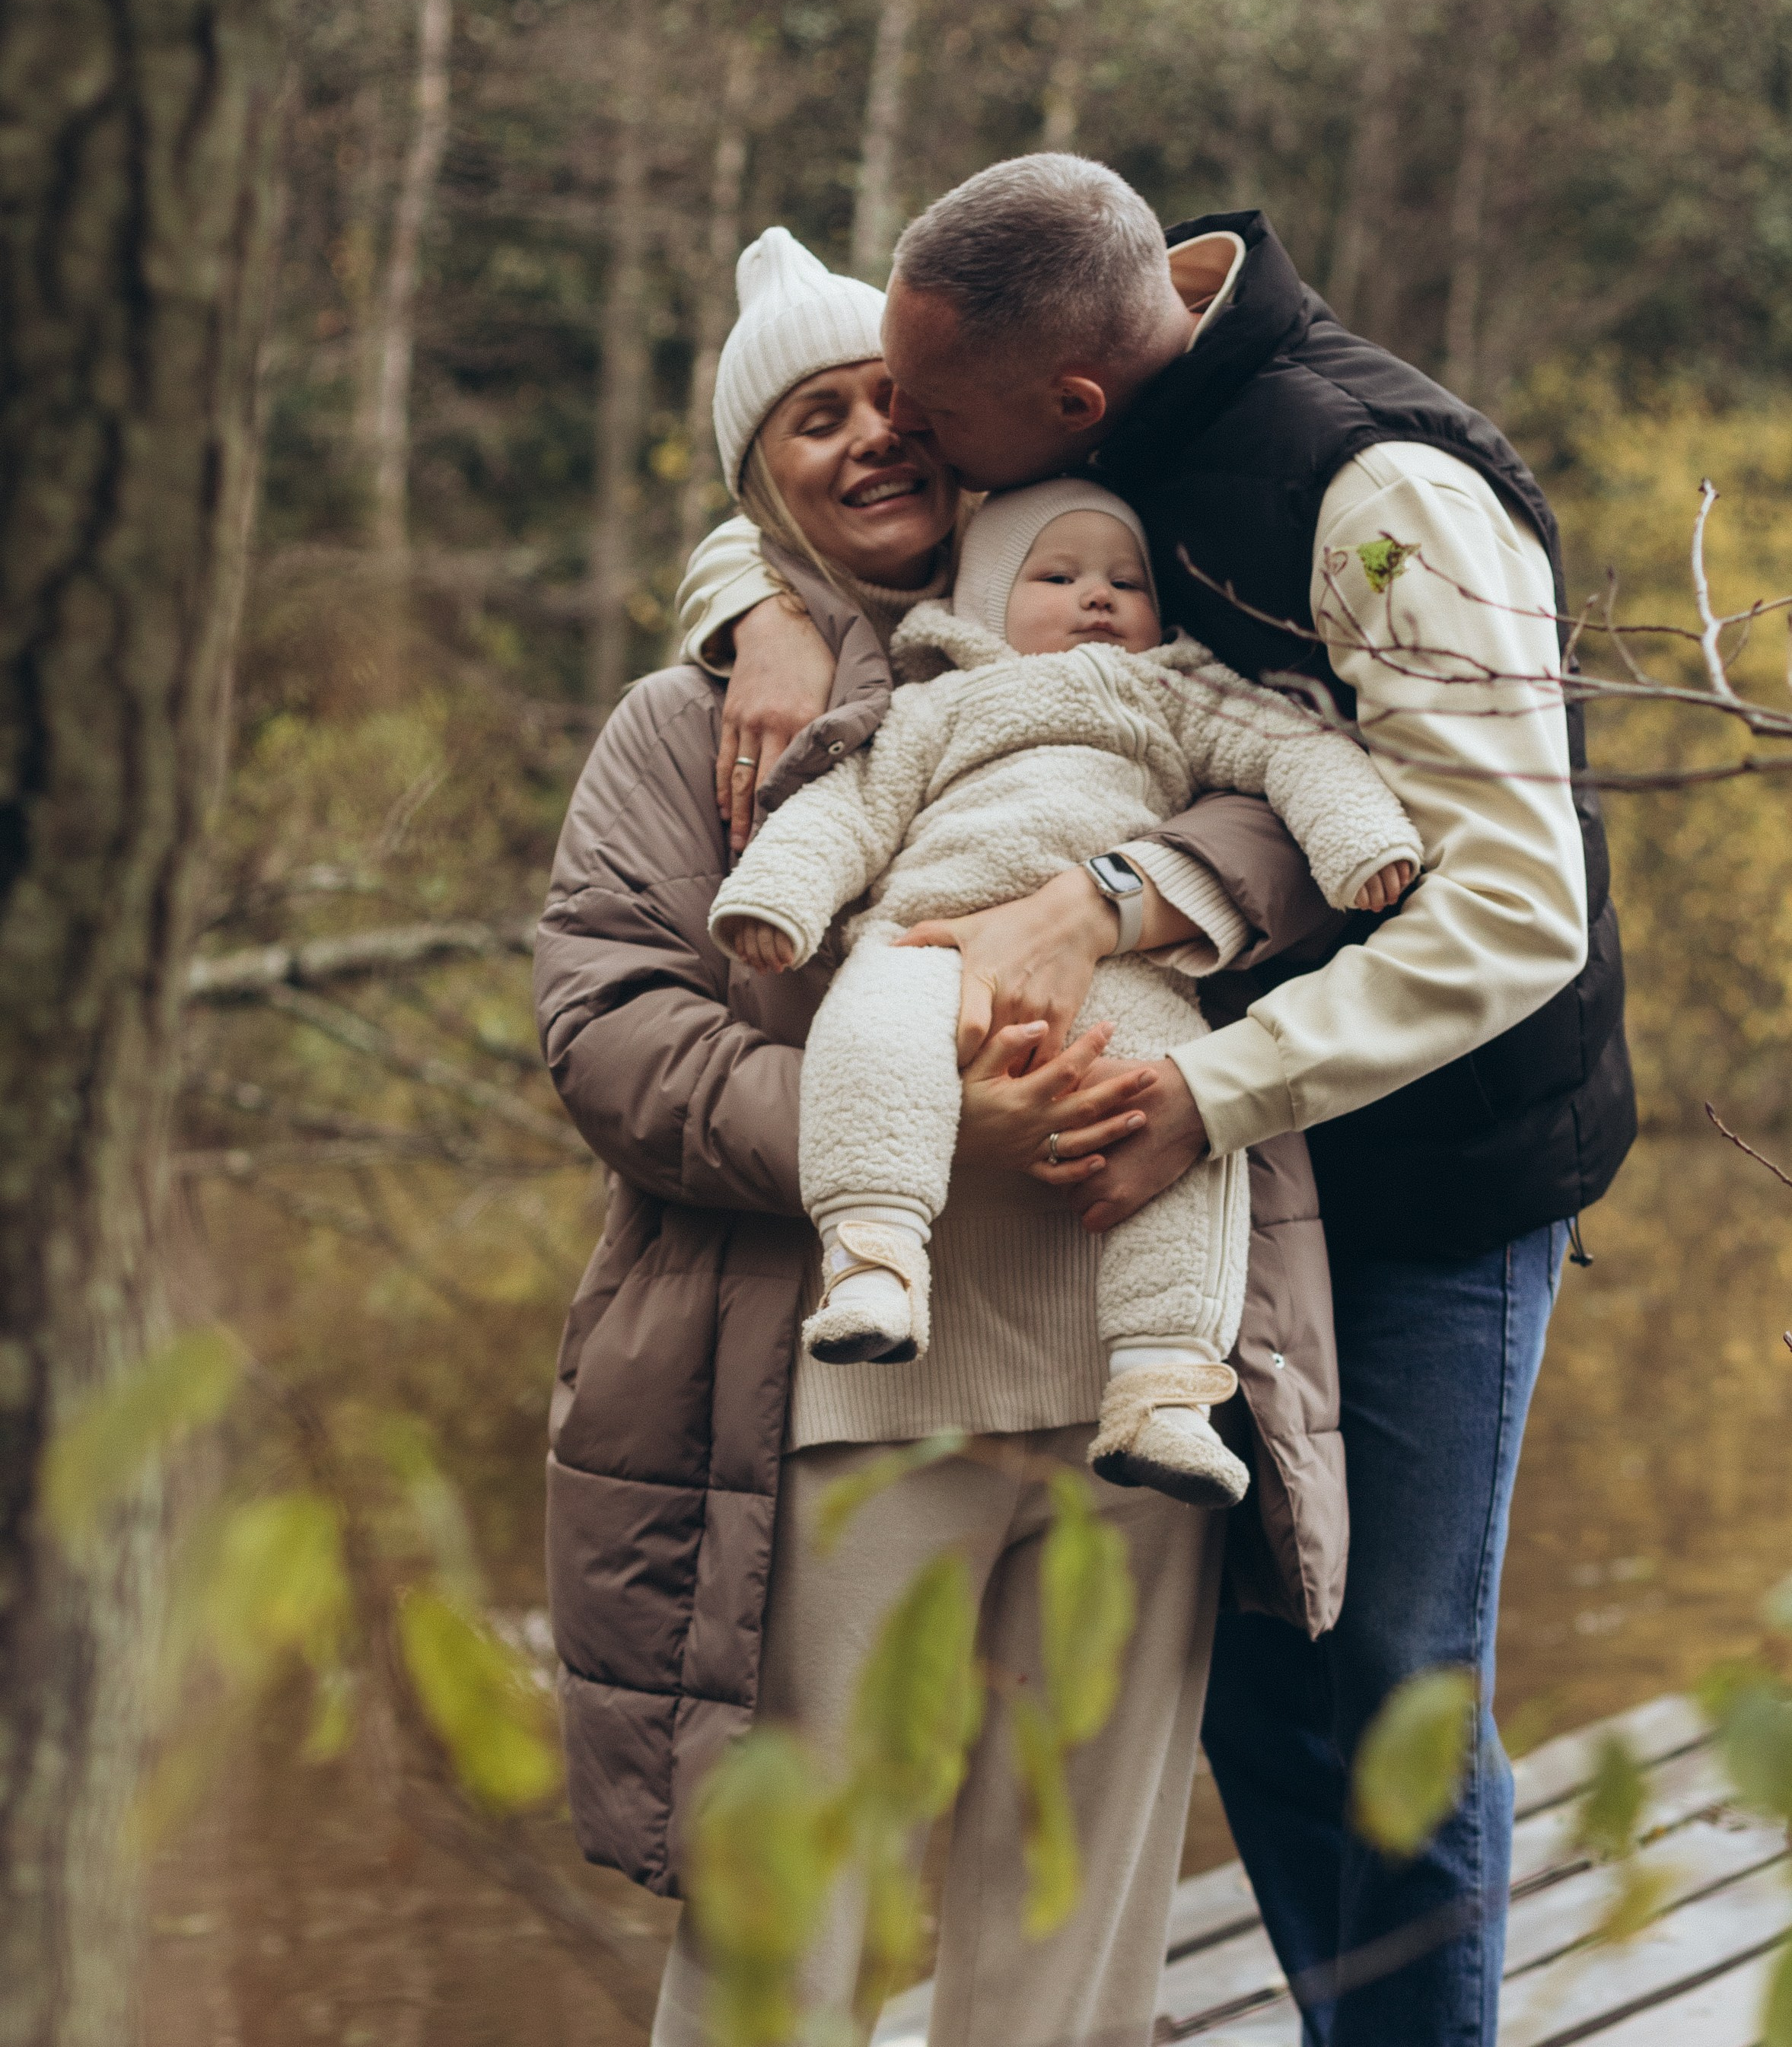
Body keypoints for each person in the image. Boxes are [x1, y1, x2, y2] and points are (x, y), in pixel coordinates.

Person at [674, 158, 1636, 2047]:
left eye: (937, 425)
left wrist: (1189, 1050)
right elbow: (802, 465)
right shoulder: (1054, 307)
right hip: (1230, 1160)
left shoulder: (1381, 498)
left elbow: (1513, 909)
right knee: (1251, 1690)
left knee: (1387, 1694)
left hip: (1423, 1161)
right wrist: (751, 610)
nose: (913, 452)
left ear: (1066, 414)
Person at [536, 224, 1352, 2047]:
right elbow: (606, 1034)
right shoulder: (691, 727)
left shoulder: (1134, 640)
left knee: (1070, 1950)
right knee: (784, 1949)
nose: (871, 441)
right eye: (813, 422)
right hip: (832, 1411)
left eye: (894, 402)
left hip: (1133, 1394)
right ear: (759, 491)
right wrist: (907, 1127)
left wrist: (1130, 893)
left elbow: (1305, 810)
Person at [712, 475, 1418, 1507]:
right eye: (1059, 574)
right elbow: (849, 807)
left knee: (1172, 1112)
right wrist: (777, 896)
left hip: (1122, 965)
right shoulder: (933, 704)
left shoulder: (1177, 691)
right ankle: (873, 1254)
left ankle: (1164, 1381)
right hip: (931, 935)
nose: (1098, 596)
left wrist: (1363, 843)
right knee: (863, 1037)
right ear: (985, 600)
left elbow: (1295, 749)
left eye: (1123, 580)